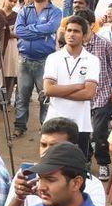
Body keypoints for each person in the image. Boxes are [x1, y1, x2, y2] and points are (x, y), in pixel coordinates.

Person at [41, 16, 99, 157]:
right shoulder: (53, 58)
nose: (71, 34)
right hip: (54, 121)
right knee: (51, 164)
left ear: (85, 36)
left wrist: (58, 91)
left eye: (76, 31)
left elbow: (88, 94)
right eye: (69, 30)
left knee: (76, 168)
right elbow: (48, 89)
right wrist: (78, 86)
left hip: (81, 124)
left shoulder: (92, 60)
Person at [13, 0, 62, 137]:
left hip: (45, 61)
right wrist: (40, 32)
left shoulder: (55, 11)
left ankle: (45, 127)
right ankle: (20, 126)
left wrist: (30, 31)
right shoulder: (24, 10)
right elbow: (18, 31)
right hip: (24, 59)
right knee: (22, 96)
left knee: (45, 96)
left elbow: (51, 27)